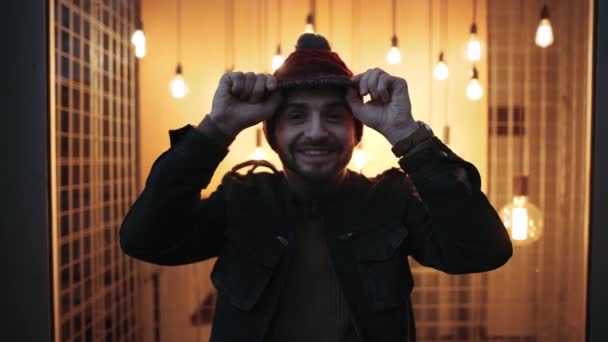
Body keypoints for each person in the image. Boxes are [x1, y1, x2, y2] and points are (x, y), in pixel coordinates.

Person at [120, 33, 512, 342]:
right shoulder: (243, 201)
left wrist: (406, 134)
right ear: (273, 135)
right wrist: (216, 129)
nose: (315, 132)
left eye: (333, 116)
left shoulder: (389, 201)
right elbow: (145, 240)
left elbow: (481, 251)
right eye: (296, 116)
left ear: (356, 133)